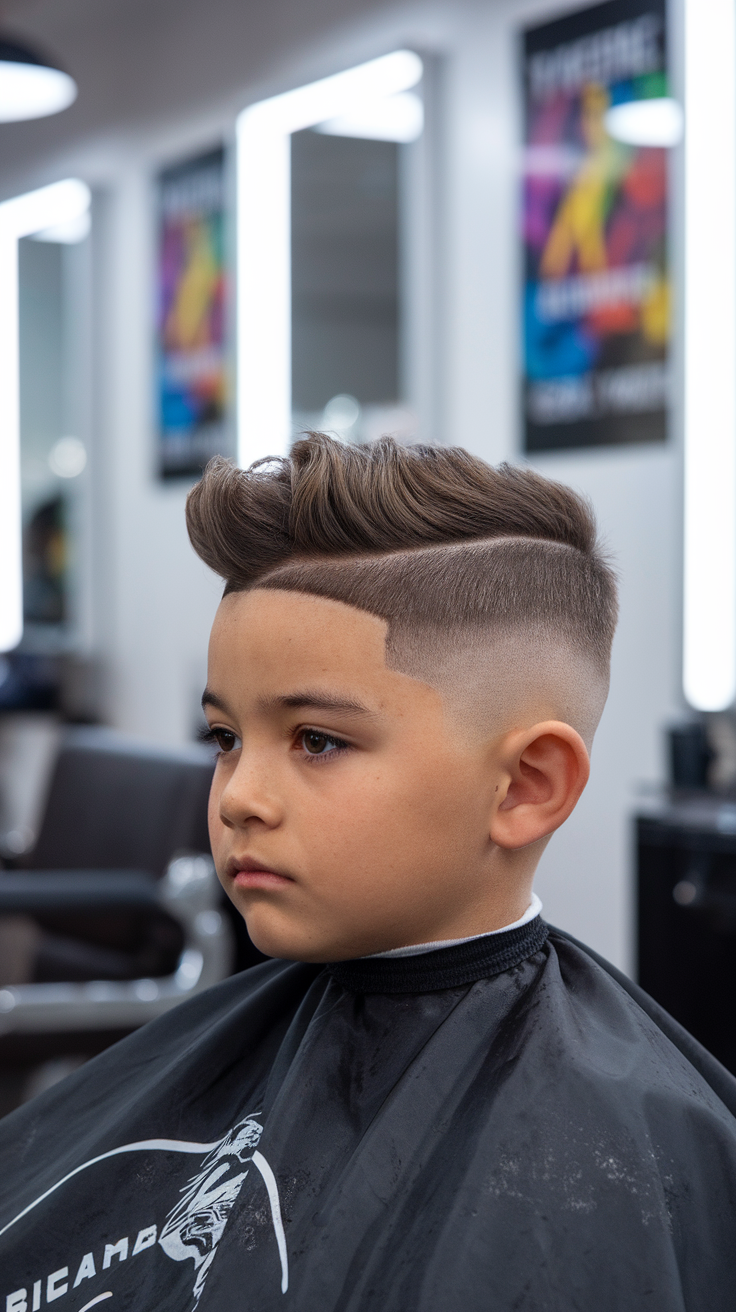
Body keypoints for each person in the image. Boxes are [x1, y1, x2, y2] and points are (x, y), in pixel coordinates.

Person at [1, 433, 736, 1312]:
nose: (239, 798)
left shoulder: (605, 1162)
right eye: (225, 738)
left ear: (525, 787)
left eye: (318, 740)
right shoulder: (224, 1040)